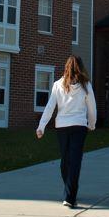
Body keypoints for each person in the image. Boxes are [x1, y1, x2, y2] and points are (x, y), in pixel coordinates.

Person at [36, 55, 97, 208]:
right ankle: (70, 194)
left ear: (66, 67)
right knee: (74, 160)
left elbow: (50, 107)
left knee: (66, 160)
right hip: (79, 126)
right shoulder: (86, 85)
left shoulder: (58, 85)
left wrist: (41, 126)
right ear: (81, 67)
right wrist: (92, 124)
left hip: (62, 127)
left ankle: (69, 194)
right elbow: (92, 108)